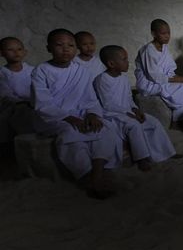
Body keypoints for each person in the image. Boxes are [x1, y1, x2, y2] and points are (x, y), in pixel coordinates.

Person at [31, 29, 121, 199]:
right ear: (48, 48)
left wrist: (93, 114)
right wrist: (68, 117)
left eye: (70, 45)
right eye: (59, 45)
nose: (66, 49)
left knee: (105, 128)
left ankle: (98, 173)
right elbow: (42, 103)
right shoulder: (41, 70)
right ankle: (87, 175)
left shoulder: (81, 71)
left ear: (76, 48)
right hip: (53, 117)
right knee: (71, 132)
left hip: (80, 114)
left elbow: (90, 99)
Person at [94, 45, 176, 171]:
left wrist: (136, 109)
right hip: (112, 115)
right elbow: (107, 104)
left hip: (128, 112)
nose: (128, 62)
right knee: (134, 125)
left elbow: (129, 99)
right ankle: (142, 159)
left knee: (153, 122)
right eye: (124, 59)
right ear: (111, 63)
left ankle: (167, 153)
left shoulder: (124, 79)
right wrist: (128, 114)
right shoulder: (101, 80)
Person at [134, 19, 183, 125]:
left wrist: (182, 79)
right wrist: (182, 79)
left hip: (163, 80)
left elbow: (170, 69)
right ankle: (179, 120)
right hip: (150, 84)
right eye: (163, 33)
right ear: (153, 34)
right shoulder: (148, 50)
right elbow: (154, 76)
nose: (167, 36)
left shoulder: (164, 48)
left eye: (168, 33)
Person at [0, 37, 35, 147]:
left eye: (19, 49)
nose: (16, 52)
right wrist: (21, 103)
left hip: (34, 103)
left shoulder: (33, 70)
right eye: (11, 50)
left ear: (25, 52)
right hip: (13, 106)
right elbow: (5, 94)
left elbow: (40, 88)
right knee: (7, 119)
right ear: (2, 53)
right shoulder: (2, 73)